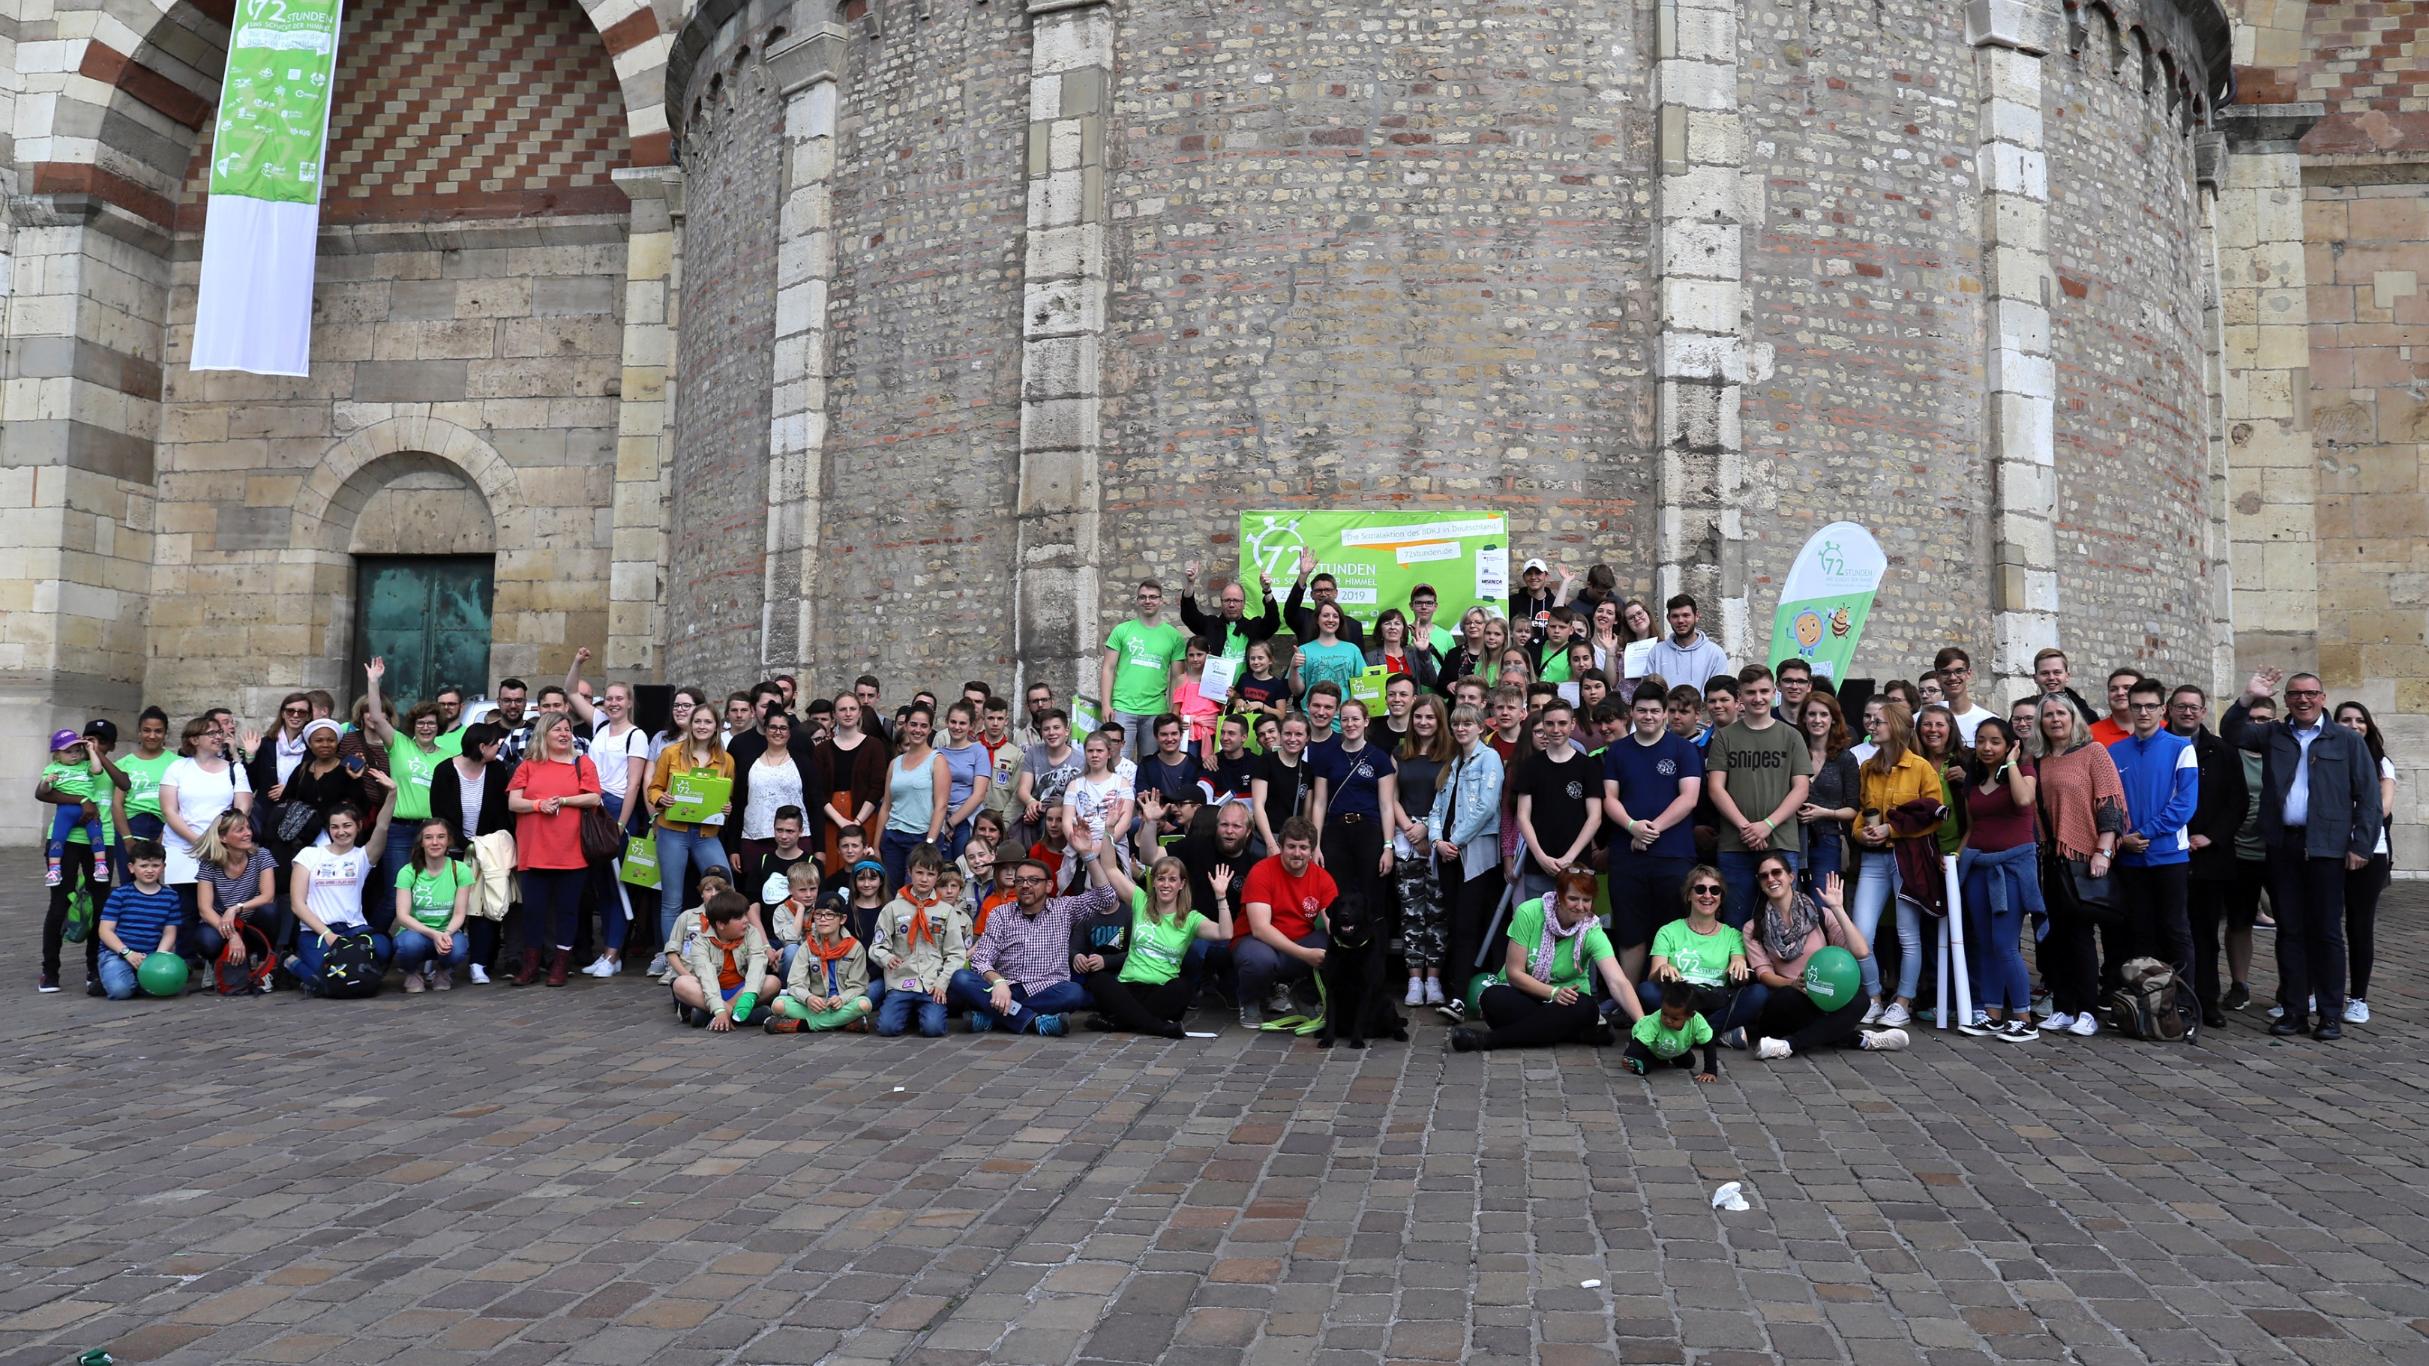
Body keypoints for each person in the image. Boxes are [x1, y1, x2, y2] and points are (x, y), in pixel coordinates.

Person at [952, 819, 1122, 1036]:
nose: (1025, 885)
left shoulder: (1064, 908)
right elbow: (981, 958)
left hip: (1047, 989)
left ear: (1049, 885)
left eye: (1034, 880)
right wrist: (999, 982)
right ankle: (1033, 1022)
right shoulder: (1000, 914)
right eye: (1021, 881)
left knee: (1074, 993)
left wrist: (1087, 854)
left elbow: (1106, 898)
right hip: (1006, 986)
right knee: (961, 978)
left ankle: (994, 1016)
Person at [1447, 870, 1631, 1052]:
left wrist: (1642, 1024)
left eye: (1587, 900)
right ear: (1559, 896)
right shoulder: (1530, 912)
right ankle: (1572, 1033)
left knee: (1585, 1007)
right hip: (1527, 995)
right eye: (1573, 898)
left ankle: (1487, 1040)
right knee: (1491, 998)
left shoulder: (1591, 929)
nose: (1581, 906)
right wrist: (1553, 993)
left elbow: (1617, 981)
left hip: (1568, 1004)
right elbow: (1514, 973)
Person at [2104, 677, 2200, 1027]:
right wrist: (2123, 837)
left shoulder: (2180, 747)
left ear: (2163, 710)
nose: (2142, 712)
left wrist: (2144, 832)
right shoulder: (2115, 752)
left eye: (2150, 706)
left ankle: (2185, 1005)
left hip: (2169, 857)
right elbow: (2110, 803)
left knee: (2176, 931)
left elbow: (2184, 805)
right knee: (2139, 933)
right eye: (2137, 706)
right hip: (2130, 857)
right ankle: (2145, 1004)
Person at [2031, 694, 2125, 1038]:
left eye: (2061, 713)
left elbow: (2110, 804)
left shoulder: (2093, 753)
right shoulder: (2037, 759)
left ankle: (2086, 1010)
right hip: (2050, 859)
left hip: (2084, 856)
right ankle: (2062, 1007)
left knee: (2081, 937)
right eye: (2048, 715)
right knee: (2053, 938)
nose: (2055, 719)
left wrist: (2103, 850)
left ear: (2073, 718)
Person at [1601, 682, 1704, 992]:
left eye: (1655, 711)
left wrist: (1650, 830)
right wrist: (1632, 827)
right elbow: (1609, 798)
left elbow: (1689, 798)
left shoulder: (1684, 750)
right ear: (1632, 713)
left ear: (1665, 715)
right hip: (1626, 855)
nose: (1648, 716)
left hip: (1673, 855)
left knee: (1671, 929)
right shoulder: (1618, 750)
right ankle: (1627, 999)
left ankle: (1668, 998)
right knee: (1630, 931)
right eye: (1642, 710)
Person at [1845, 701, 1942, 1028]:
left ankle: (1903, 1000)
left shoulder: (1920, 768)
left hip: (1906, 857)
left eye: (1880, 721)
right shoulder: (1868, 767)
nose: (1872, 724)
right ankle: (1872, 997)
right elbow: (1861, 810)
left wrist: (1893, 829)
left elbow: (1935, 814)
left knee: (1907, 933)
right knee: (1861, 931)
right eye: (1872, 720)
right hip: (1873, 858)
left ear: (1898, 726)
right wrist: (1861, 833)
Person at [1743, 861, 1900, 1057]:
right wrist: (1792, 983)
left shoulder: (1820, 916)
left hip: (1827, 997)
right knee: (1788, 997)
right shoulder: (1754, 926)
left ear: (1791, 876)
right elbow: (1764, 974)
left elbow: (1861, 951)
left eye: (1776, 872)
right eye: (1764, 876)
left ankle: (1789, 1045)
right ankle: (1859, 1039)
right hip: (1788, 1003)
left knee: (1861, 1000)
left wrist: (1837, 908)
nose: (1771, 879)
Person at [1703, 664, 1812, 929]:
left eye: (1764, 691)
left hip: (1781, 841)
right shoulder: (1725, 738)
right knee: (1735, 920)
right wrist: (1746, 827)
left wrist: (1768, 825)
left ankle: (1780, 972)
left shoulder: (1792, 736)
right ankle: (1740, 972)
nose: (1758, 698)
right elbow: (1716, 787)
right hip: (1735, 844)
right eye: (1751, 692)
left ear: (1774, 692)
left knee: (1784, 920)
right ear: (1740, 696)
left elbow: (1801, 788)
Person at [2168, 685, 2248, 1028]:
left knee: (2204, 933)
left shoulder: (2223, 752)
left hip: (2209, 856)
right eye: (2181, 707)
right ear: (2170, 710)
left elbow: (2238, 802)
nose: (2188, 712)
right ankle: (2167, 998)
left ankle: (2207, 1000)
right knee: (2168, 930)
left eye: (2194, 707)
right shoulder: (2158, 747)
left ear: (2203, 712)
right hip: (2167, 853)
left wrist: (2211, 836)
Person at [1956, 719, 2041, 1040]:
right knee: (1986, 944)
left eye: (1995, 742)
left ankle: (2022, 1017)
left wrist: (2012, 763)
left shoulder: (2023, 772)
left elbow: (2023, 801)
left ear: (2009, 745)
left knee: (2006, 945)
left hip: (2013, 868)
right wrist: (1957, 860)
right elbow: (1971, 828)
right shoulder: (1973, 781)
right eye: (1981, 741)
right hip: (1978, 866)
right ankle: (1991, 1014)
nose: (1987, 747)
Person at [505, 713, 604, 988]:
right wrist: (539, 806)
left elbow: (594, 796)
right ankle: (531, 964)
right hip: (535, 850)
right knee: (533, 911)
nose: (564, 734)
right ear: (543, 734)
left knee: (567, 911)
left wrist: (563, 800)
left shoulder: (581, 763)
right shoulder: (528, 765)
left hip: (571, 850)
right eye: (557, 730)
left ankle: (561, 964)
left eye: (567, 729)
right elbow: (514, 802)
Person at [1427, 705, 1505, 1025]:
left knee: (1468, 925)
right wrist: (1436, 841)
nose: (1461, 729)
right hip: (1448, 856)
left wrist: (1455, 841)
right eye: (1456, 724)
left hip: (1473, 858)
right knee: (1455, 923)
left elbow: (1486, 808)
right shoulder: (1453, 763)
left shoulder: (1489, 759)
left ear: (1479, 727)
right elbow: (1436, 808)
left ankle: (1461, 996)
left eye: (1467, 724)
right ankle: (1455, 991)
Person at [643, 705, 732, 972]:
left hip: (706, 833)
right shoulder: (670, 753)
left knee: (725, 887)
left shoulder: (726, 760)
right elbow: (653, 789)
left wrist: (727, 807)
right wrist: (662, 798)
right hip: (673, 830)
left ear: (717, 726)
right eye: (698, 721)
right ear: (690, 724)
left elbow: (726, 796)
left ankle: (723, 952)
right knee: (672, 898)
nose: (702, 726)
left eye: (708, 722)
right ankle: (673, 961)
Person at [286, 781, 400, 987]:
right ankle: (292, 963)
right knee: (330, 980)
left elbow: (382, 826)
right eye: (335, 827)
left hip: (354, 930)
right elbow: (297, 905)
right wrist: (327, 934)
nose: (341, 832)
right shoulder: (310, 855)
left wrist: (392, 792)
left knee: (383, 949)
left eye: (347, 825)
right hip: (317, 932)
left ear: (358, 826)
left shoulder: (362, 857)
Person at [1636, 866, 1760, 1039]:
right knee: (1646, 990)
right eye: (1700, 889)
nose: (1708, 895)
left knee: (1758, 994)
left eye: (1715, 890)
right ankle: (1715, 1034)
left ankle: (1688, 1034)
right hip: (1679, 999)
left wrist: (1740, 966)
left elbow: (1738, 975)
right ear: (1688, 895)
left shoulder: (1733, 935)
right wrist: (1662, 970)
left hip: (1716, 1000)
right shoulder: (1668, 931)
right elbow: (1652, 977)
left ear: (1721, 898)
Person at [160, 715, 255, 940]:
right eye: (211, 733)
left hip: (224, 845)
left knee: (220, 901)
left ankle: (216, 955)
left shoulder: (234, 769)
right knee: (186, 906)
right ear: (194, 739)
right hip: (184, 846)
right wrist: (200, 841)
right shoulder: (177, 768)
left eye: (219, 732)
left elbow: (242, 807)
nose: (218, 736)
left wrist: (222, 839)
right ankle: (186, 958)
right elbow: (169, 810)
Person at [2207, 694, 2273, 1014]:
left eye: (2264, 720)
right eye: (2252, 720)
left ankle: (2294, 982)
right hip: (2240, 850)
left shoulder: (2281, 751)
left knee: (2291, 922)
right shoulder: (2230, 755)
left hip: (2276, 851)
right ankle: (2240, 983)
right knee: (2239, 921)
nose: (2257, 726)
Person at [2329, 700, 2394, 1026]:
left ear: (2368, 725)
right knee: (2324, 925)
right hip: (2328, 850)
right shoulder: (2324, 757)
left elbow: (2380, 808)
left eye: (2359, 720)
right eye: (2345, 719)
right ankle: (2320, 992)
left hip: (2370, 851)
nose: (2353, 725)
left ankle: (2358, 998)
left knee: (2359, 926)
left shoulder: (2381, 763)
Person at [1235, 817, 1335, 1026]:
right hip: (1257, 942)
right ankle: (1249, 1000)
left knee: (1335, 944)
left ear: (1312, 849)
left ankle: (1305, 994)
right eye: (1291, 846)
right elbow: (1260, 928)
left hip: (1298, 942)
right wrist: (1305, 954)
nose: (1297, 853)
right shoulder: (1262, 872)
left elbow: (1331, 923)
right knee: (1261, 961)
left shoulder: (1322, 878)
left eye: (1303, 847)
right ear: (1281, 846)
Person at [869, 845, 972, 1037]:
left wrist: (942, 982)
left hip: (932, 983)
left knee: (933, 1029)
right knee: (887, 1028)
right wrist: (886, 957)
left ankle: (919, 1013)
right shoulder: (893, 908)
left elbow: (956, 953)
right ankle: (907, 1012)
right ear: (909, 872)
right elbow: (877, 946)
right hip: (901, 981)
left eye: (930, 874)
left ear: (937, 876)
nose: (924, 879)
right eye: (919, 873)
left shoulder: (946, 911)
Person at [1308, 698, 1398, 911]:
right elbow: (1319, 803)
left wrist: (1388, 847)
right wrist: (1316, 844)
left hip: (1369, 830)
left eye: (1355, 719)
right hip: (1335, 832)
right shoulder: (1328, 757)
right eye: (1345, 719)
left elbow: (1387, 805)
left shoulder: (1379, 758)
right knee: (1338, 894)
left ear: (1366, 721)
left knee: (1371, 894)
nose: (1350, 724)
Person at [1392, 695, 1453, 1007]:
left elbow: (1450, 797)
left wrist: (1429, 831)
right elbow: (1391, 796)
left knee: (1437, 914)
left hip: (1438, 840)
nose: (1424, 722)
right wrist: (1408, 829)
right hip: (1407, 841)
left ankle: (1434, 979)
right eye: (1419, 717)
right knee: (1412, 913)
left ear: (1439, 720)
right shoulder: (1400, 752)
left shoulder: (1451, 753)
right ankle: (1414, 980)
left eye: (1430, 717)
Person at [1510, 699, 1601, 904]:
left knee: (1577, 927)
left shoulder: (1587, 766)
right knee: (1539, 926)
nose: (1556, 729)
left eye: (1562, 723)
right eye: (1550, 724)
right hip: (1538, 864)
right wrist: (1541, 856)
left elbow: (1594, 817)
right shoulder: (1531, 766)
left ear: (1572, 724)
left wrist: (1570, 857)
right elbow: (1523, 817)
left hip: (1577, 865)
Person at [191, 809, 286, 977]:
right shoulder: (209, 864)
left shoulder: (262, 855)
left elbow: (268, 895)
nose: (248, 833)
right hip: (221, 923)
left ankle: (264, 963)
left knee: (270, 910)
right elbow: (205, 909)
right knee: (206, 940)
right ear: (223, 838)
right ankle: (215, 962)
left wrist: (236, 908)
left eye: (248, 828)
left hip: (251, 921)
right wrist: (232, 935)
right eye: (240, 830)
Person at [1102, 579, 1187, 764]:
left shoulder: (1174, 637)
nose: (1148, 601)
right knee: (1116, 763)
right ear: (1137, 600)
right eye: (1143, 597)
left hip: (1155, 711)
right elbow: (1108, 668)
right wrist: (1106, 704)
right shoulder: (1122, 630)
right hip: (1123, 708)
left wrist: (1174, 711)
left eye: (1153, 597)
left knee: (1149, 765)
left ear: (1161, 600)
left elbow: (1178, 677)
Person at [670, 891, 778, 1031]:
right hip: (711, 992)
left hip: (741, 991)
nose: (746, 920)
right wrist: (720, 1008)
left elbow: (757, 966)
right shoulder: (700, 942)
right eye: (739, 917)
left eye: (745, 914)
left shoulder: (751, 932)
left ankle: (709, 1016)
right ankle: (740, 1015)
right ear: (721, 924)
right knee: (680, 983)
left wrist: (748, 995)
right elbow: (706, 976)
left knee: (773, 982)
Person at [733, 710, 815, 894]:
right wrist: (733, 848)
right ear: (765, 730)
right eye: (773, 727)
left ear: (789, 732)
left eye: (783, 728)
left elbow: (814, 804)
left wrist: (820, 848)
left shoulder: (802, 763)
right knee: (755, 895)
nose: (778, 732)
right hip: (755, 839)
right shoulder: (748, 763)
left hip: (797, 839)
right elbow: (738, 806)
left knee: (800, 892)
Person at [766, 900, 874, 1034]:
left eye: (829, 915)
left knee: (864, 1004)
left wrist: (842, 999)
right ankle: (842, 1023)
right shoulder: (808, 945)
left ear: (842, 919)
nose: (823, 919)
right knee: (778, 1004)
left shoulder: (854, 947)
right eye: (818, 915)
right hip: (814, 1005)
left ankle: (803, 1025)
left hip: (841, 1005)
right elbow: (794, 983)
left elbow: (858, 986)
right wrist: (808, 998)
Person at [391, 818, 474, 992]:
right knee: (408, 945)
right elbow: (403, 916)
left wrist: (446, 934)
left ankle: (443, 972)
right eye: (429, 837)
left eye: (441, 837)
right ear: (421, 842)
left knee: (458, 947)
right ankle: (412, 972)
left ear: (449, 841)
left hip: (447, 931)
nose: (435, 842)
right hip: (416, 933)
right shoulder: (408, 871)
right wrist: (433, 934)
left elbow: (460, 913)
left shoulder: (460, 870)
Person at [96, 839, 181, 1000]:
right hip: (118, 953)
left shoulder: (170, 896)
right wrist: (127, 953)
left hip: (152, 955)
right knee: (120, 991)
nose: (149, 870)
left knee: (165, 988)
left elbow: (169, 932)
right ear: (131, 868)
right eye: (143, 866)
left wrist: (158, 958)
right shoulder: (120, 895)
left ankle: (132, 980)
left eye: (155, 865)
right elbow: (105, 931)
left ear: (163, 867)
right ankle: (112, 980)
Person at [817, 692, 888, 876]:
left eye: (852, 709)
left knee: (864, 871)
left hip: (864, 815)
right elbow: (816, 790)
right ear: (834, 715)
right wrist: (840, 821)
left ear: (859, 713)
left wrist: (856, 822)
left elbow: (877, 787)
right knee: (832, 869)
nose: (848, 713)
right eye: (842, 709)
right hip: (832, 818)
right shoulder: (822, 749)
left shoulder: (874, 746)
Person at [1795, 693, 1858, 897]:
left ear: (1833, 719)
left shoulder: (1845, 758)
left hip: (1827, 841)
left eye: (1824, 714)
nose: (1817, 720)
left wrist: (1824, 813)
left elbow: (1853, 810)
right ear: (1803, 718)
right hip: (1791, 839)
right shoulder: (1794, 751)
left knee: (1824, 906)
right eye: (1812, 714)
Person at [39, 729, 112, 888]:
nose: (74, 755)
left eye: (77, 751)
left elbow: (98, 769)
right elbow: (44, 792)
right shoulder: (53, 768)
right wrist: (46, 782)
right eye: (68, 751)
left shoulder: (85, 765)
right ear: (57, 754)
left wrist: (91, 751)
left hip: (90, 810)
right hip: (66, 810)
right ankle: (54, 870)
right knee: (58, 836)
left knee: (96, 834)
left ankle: (100, 866)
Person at [1060, 729, 1135, 874]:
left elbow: (1125, 823)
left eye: (1099, 750)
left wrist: (1101, 847)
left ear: (1108, 753)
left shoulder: (1122, 783)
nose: (1094, 755)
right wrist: (1082, 847)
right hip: (1080, 846)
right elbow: (1066, 822)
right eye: (1090, 751)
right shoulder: (1075, 784)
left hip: (1113, 846)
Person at [1178, 559, 1282, 661]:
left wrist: (1267, 591)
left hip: (1245, 678)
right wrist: (1190, 583)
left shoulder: (1253, 627)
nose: (1231, 605)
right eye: (1227, 600)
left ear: (1243, 604)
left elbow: (1273, 622)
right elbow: (1189, 615)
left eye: (1236, 600)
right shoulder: (1210, 625)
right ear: (1221, 603)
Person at [1624, 981, 1721, 1082]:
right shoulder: (1654, 1021)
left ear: (1689, 1016)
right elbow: (1639, 1043)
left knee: (1689, 1063)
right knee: (1645, 1067)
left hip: (1675, 1047)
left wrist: (1710, 1071)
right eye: (1664, 1014)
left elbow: (1708, 1044)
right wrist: (1630, 1056)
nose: (1668, 1020)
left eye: (1674, 1018)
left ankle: (1665, 1058)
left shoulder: (1697, 1021)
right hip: (1649, 1047)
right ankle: (1654, 1060)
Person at [937, 700, 993, 859]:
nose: (957, 727)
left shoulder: (979, 751)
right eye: (953, 722)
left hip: (966, 818)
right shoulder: (938, 753)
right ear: (947, 722)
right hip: (940, 817)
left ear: (970, 726)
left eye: (962, 723)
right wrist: (943, 822)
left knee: (964, 866)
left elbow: (979, 794)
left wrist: (951, 823)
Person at [1291, 604, 1366, 721]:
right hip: (1313, 718)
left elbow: (1362, 686)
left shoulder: (1353, 649)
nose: (1331, 620)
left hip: (1345, 719)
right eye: (1326, 615)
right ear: (1317, 619)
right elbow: (1296, 691)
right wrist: (1294, 668)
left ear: (1340, 620)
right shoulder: (1304, 650)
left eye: (1335, 616)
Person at [1284, 548, 1368, 651]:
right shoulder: (1304, 618)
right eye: (1318, 591)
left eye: (1327, 590)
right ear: (1312, 595)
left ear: (1335, 593)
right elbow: (1290, 609)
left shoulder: (1353, 625)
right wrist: (1303, 575)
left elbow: (1360, 659)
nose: (1323, 594)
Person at [1645, 594, 1729, 693]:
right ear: (1668, 619)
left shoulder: (1715, 653)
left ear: (1696, 616)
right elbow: (1649, 690)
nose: (1680, 620)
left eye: (1686, 615)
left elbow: (1718, 693)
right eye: (1675, 616)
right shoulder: (1656, 652)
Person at [1931, 647, 1997, 743]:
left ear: (1968, 673)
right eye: (1945, 672)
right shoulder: (1922, 721)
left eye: (1959, 671)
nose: (1953, 677)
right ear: (1937, 677)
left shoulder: (1988, 721)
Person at [1365, 608, 1439, 692]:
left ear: (1403, 629)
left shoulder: (1414, 653)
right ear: (1380, 629)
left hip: (1413, 704)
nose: (1392, 627)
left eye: (1397, 623)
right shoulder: (1370, 657)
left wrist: (1423, 652)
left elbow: (1431, 681)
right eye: (1387, 623)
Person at [1509, 557, 1559, 646]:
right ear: (1524, 577)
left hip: (1547, 656)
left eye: (1538, 573)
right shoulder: (1513, 602)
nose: (1533, 577)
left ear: (1546, 576)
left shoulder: (1554, 603)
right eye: (1529, 573)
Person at [2091, 668, 2141, 746]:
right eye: (2113, 689)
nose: (2120, 693)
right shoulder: (2089, 735)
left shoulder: (2163, 729)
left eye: (2127, 688)